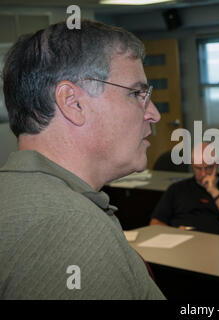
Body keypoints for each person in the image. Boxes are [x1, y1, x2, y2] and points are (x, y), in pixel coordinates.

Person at [0, 20, 165, 299]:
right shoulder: (70, 227)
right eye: (137, 94)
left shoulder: (15, 195)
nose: (153, 113)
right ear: (73, 103)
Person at [150, 142, 219, 236]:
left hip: (216, 245)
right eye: (198, 168)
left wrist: (214, 191)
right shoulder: (176, 189)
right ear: (192, 165)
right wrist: (174, 232)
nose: (203, 174)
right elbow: (155, 223)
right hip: (181, 242)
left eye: (208, 168)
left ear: (216, 165)